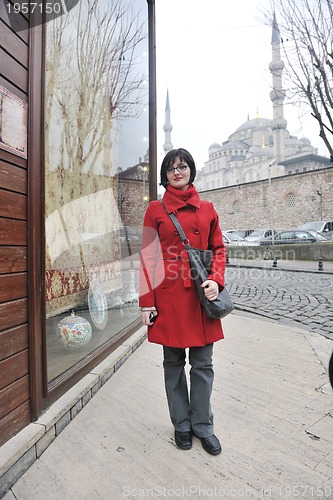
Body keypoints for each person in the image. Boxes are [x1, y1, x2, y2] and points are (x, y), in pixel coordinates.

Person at [139, 148, 226, 456]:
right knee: (174, 364)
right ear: (165, 174)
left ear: (191, 170)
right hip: (170, 299)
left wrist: (216, 280)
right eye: (171, 168)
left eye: (183, 166)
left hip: (202, 299)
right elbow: (148, 256)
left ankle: (203, 426)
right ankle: (181, 425)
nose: (178, 171)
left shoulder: (208, 208)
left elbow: (219, 249)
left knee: (203, 365)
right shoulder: (155, 209)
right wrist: (147, 302)